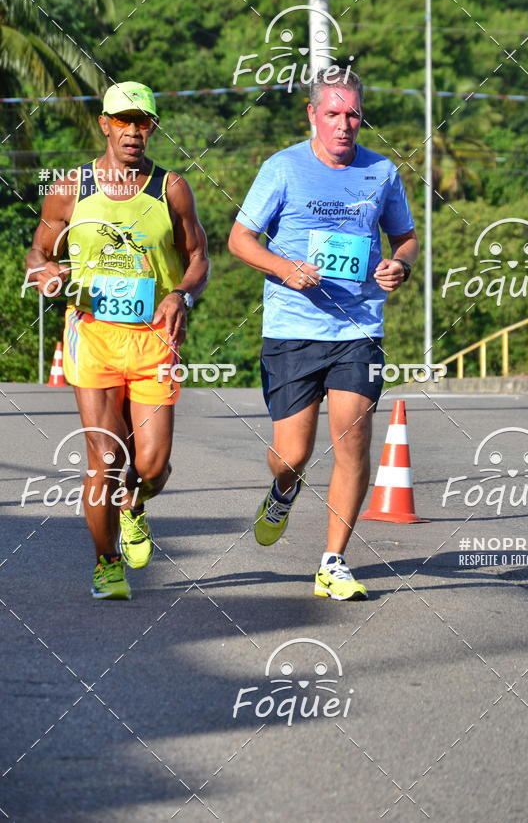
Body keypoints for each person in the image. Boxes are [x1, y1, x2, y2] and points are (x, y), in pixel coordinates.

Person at [228, 67, 418, 600]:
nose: (343, 124)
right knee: (292, 453)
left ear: (362, 116)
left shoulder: (380, 172)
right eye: (332, 113)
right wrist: (284, 268)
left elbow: (405, 238)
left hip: (359, 327)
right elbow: (240, 240)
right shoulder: (282, 168)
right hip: (293, 328)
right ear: (312, 114)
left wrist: (399, 266)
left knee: (353, 437)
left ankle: (333, 561)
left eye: (353, 114)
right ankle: (283, 491)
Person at [26, 81, 209, 600]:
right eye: (123, 121)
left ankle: (136, 503)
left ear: (152, 126)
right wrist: (45, 273)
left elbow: (199, 256)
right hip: (94, 337)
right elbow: (39, 252)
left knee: (150, 466)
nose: (134, 131)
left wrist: (181, 296)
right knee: (105, 460)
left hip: (154, 339)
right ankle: (107, 564)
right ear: (104, 124)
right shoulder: (70, 188)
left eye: (143, 121)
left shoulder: (169, 187)